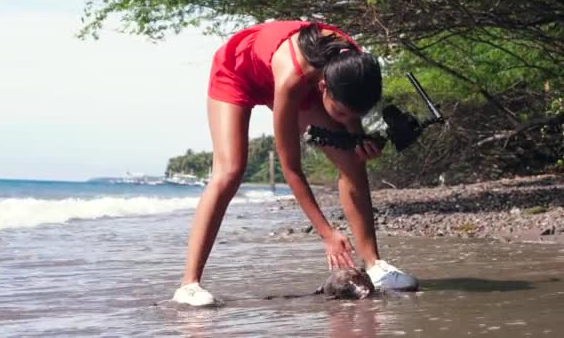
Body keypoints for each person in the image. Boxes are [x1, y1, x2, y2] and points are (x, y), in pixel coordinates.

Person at [173, 20, 419, 306]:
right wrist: (327, 233)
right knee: (230, 171)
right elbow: (291, 168)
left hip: (302, 76)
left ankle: (375, 265)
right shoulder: (292, 77)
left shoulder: (355, 67)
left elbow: (352, 121)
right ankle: (188, 285)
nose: (342, 121)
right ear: (323, 88)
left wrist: (360, 141)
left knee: (352, 162)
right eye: (339, 113)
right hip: (238, 71)